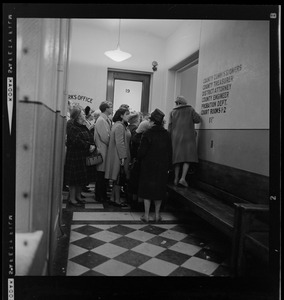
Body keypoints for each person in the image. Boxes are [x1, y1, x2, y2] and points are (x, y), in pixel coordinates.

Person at [138, 109, 172, 222]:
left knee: (147, 190)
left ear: (152, 122)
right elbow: (170, 152)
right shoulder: (167, 134)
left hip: (148, 166)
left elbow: (141, 152)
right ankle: (157, 215)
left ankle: (146, 215)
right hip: (162, 166)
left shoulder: (147, 133)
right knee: (159, 189)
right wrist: (168, 166)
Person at [64, 107, 96, 207]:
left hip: (82, 155)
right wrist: (88, 145)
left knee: (80, 179)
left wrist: (92, 145)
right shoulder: (72, 125)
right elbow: (76, 140)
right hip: (75, 155)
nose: (84, 115)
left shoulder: (82, 124)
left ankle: (78, 196)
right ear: (77, 116)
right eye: (82, 114)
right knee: (73, 180)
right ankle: (72, 199)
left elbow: (89, 135)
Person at [168, 95, 202, 187]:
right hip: (188, 137)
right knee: (187, 157)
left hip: (176, 138)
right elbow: (197, 120)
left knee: (177, 159)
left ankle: (176, 178)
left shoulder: (172, 112)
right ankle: (183, 178)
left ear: (177, 103)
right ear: (184, 103)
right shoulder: (190, 109)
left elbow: (170, 126)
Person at [105, 107, 131, 207]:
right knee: (118, 179)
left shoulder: (117, 125)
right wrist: (123, 157)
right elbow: (120, 143)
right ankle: (117, 200)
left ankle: (113, 198)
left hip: (116, 155)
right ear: (121, 115)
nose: (129, 116)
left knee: (117, 179)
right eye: (127, 114)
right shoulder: (119, 126)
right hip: (118, 156)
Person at [128, 119, 151, 208]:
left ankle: (133, 202)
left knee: (134, 184)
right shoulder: (143, 138)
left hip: (134, 163)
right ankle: (139, 204)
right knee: (139, 184)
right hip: (141, 164)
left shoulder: (135, 136)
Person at [94, 101, 113, 202]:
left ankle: (102, 194)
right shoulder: (101, 120)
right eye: (110, 106)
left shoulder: (105, 119)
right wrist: (112, 141)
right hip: (102, 150)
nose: (111, 108)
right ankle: (99, 196)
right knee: (100, 175)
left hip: (105, 150)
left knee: (102, 175)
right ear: (106, 109)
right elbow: (105, 137)